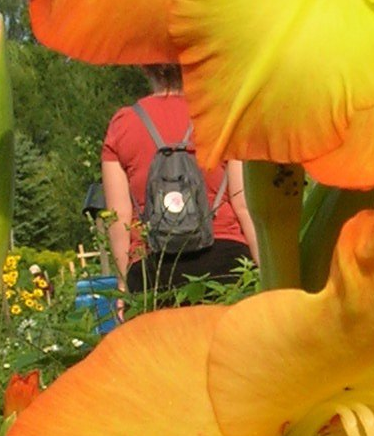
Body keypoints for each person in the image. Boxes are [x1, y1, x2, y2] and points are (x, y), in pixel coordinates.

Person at [100, 65, 257, 299]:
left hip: (153, 270)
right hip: (226, 263)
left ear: (144, 67)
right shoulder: (221, 116)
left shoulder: (123, 123)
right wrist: (264, 268)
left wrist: (124, 287)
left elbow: (118, 215)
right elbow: (244, 204)